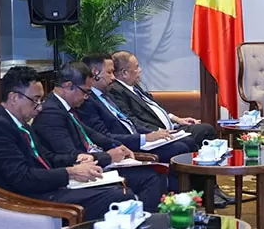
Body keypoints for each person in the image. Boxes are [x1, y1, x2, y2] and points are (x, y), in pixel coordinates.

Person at [0, 66, 172, 229]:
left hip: (48, 185)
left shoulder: (20, 122)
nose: (40, 107)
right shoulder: (0, 126)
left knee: (119, 190)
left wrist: (76, 161)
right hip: (31, 199)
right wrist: (69, 172)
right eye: (35, 100)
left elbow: (45, 157)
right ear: (14, 97)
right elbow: (22, 178)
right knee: (118, 198)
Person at [31, 62, 166, 211]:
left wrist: (116, 146)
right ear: (69, 86)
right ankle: (146, 226)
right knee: (149, 178)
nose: (87, 97)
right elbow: (71, 155)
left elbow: (91, 133)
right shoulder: (50, 113)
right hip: (83, 171)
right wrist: (107, 157)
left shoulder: (65, 107)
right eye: (85, 92)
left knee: (154, 174)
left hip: (96, 162)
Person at [78, 53, 196, 192]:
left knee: (188, 141)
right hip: (128, 145)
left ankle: (197, 194)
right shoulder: (87, 102)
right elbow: (105, 136)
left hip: (138, 138)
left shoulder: (107, 95)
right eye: (109, 72)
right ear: (95, 73)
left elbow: (128, 121)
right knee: (179, 149)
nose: (113, 77)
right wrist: (144, 138)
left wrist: (153, 133)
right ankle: (180, 197)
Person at [109, 51, 217, 147]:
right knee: (188, 142)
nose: (140, 70)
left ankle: (210, 165)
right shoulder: (116, 91)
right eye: (137, 67)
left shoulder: (134, 86)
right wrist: (158, 131)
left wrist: (178, 119)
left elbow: (153, 107)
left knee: (206, 129)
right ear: (124, 73)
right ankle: (198, 167)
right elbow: (132, 120)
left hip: (171, 128)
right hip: (154, 133)